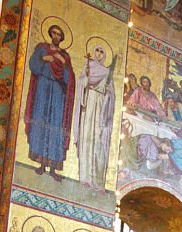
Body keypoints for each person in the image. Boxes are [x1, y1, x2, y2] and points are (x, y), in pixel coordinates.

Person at [25, 24, 76, 179]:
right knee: (41, 120)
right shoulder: (42, 48)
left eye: (58, 34)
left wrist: (64, 64)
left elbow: (69, 79)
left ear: (61, 38)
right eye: (53, 33)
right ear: (50, 34)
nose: (55, 36)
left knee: (55, 126)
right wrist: (43, 58)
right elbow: (33, 65)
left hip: (58, 92)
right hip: (42, 87)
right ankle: (41, 164)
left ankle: (53, 168)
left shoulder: (65, 56)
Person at [74, 44, 115, 191]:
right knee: (87, 138)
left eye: (101, 51)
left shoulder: (107, 71)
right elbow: (81, 83)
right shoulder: (88, 66)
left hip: (101, 107)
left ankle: (97, 181)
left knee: (98, 141)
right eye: (97, 50)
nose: (98, 53)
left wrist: (108, 92)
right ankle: (85, 177)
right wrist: (85, 80)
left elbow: (112, 94)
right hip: (89, 104)